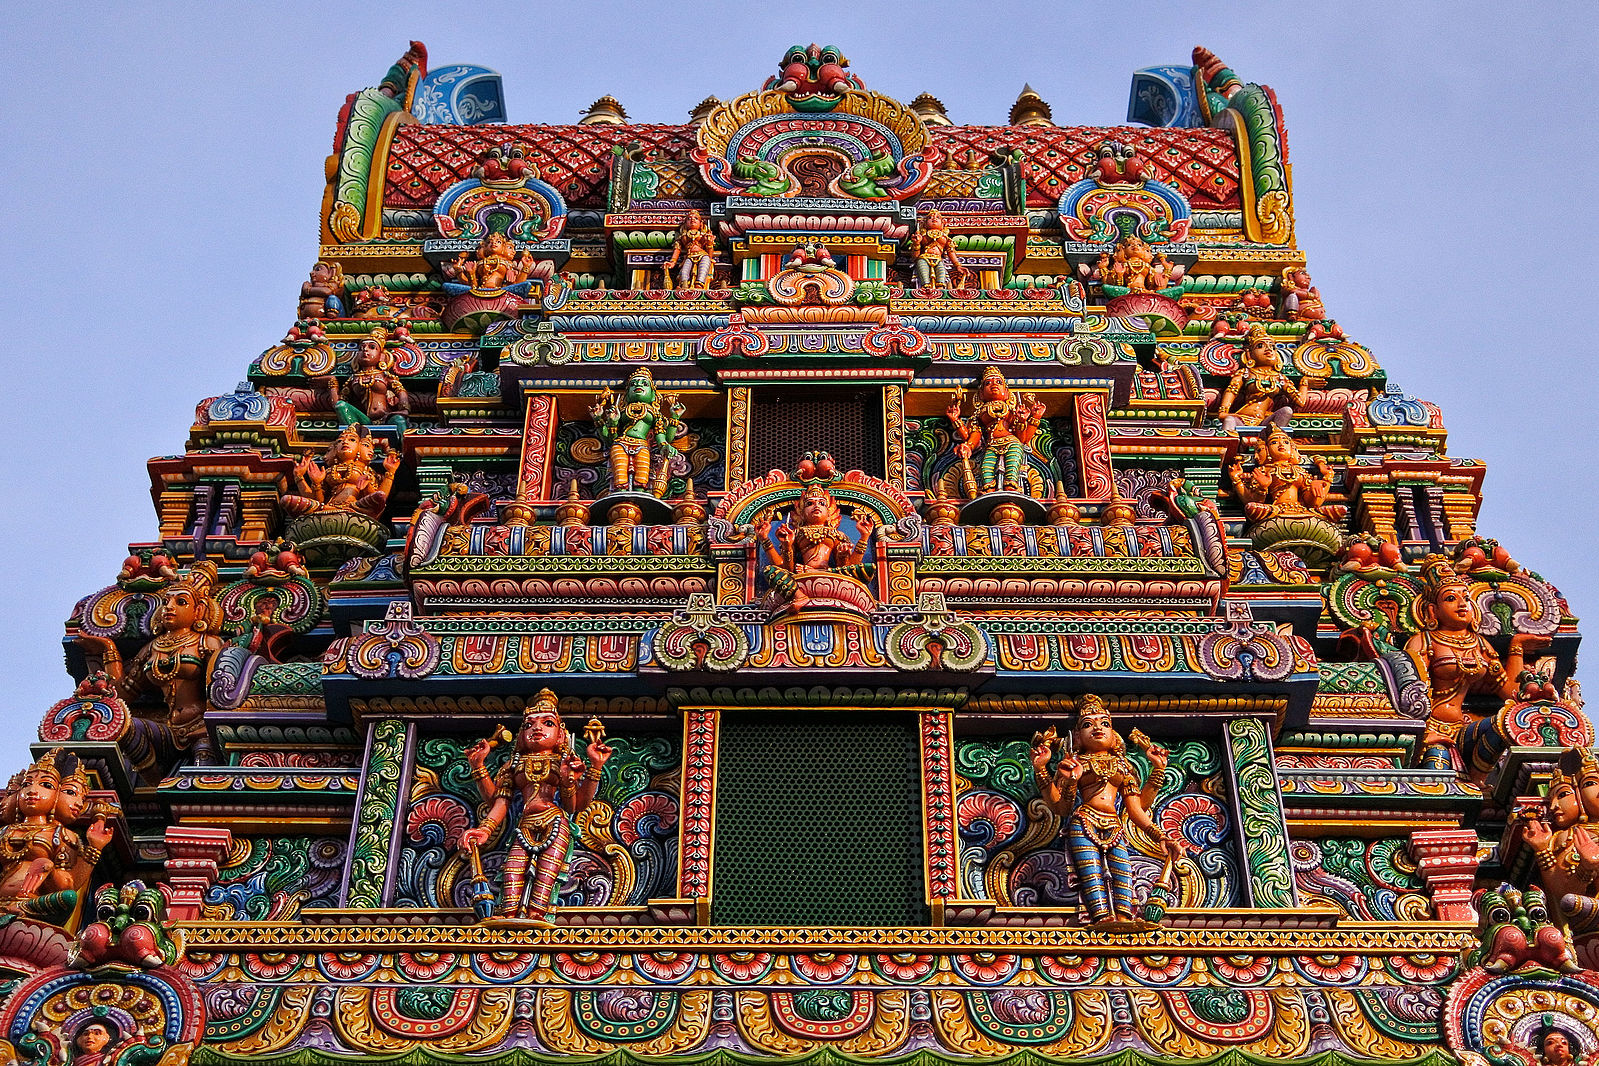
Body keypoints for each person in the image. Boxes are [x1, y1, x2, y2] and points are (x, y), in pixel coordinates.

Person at [458, 690, 611, 924]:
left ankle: (537, 916)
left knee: (547, 873)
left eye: (547, 723)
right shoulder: (515, 764)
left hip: (555, 821)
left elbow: (574, 805)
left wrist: (589, 770)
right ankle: (509, 915)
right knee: (512, 871)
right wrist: (485, 828)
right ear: (521, 734)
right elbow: (498, 801)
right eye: (529, 724)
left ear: (560, 734)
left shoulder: (563, 762)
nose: (537, 728)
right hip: (524, 824)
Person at [1030, 696, 1182, 925]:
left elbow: (1137, 807)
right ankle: (1101, 917)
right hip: (1083, 822)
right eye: (1088, 724)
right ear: (1077, 737)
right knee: (1091, 874)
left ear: (1114, 736)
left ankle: (1124, 917)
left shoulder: (1122, 766)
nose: (1097, 728)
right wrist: (1052, 773)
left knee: (1122, 872)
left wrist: (1160, 834)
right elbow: (1061, 807)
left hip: (1114, 824)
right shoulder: (1074, 762)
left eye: (1105, 723)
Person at [1405, 557, 1550, 771]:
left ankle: (1479, 778)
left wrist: (1516, 648)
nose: (1462, 604)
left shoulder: (1480, 644)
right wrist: (1423, 732)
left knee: (1504, 725)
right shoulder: (1424, 641)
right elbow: (1409, 692)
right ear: (1432, 611)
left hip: (1463, 726)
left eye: (1465, 598)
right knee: (1438, 766)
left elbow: (1509, 692)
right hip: (1431, 726)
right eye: (1451, 598)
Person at [1216, 324, 1317, 432]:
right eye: (1260, 346)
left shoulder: (1279, 377)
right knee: (1229, 420)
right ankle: (1228, 446)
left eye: (1272, 347)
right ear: (1250, 354)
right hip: (1242, 419)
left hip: (1263, 421)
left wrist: (1304, 383)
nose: (1268, 349)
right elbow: (1231, 391)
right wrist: (1223, 412)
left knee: (1287, 411)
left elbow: (1300, 401)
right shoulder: (1245, 373)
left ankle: (1274, 438)